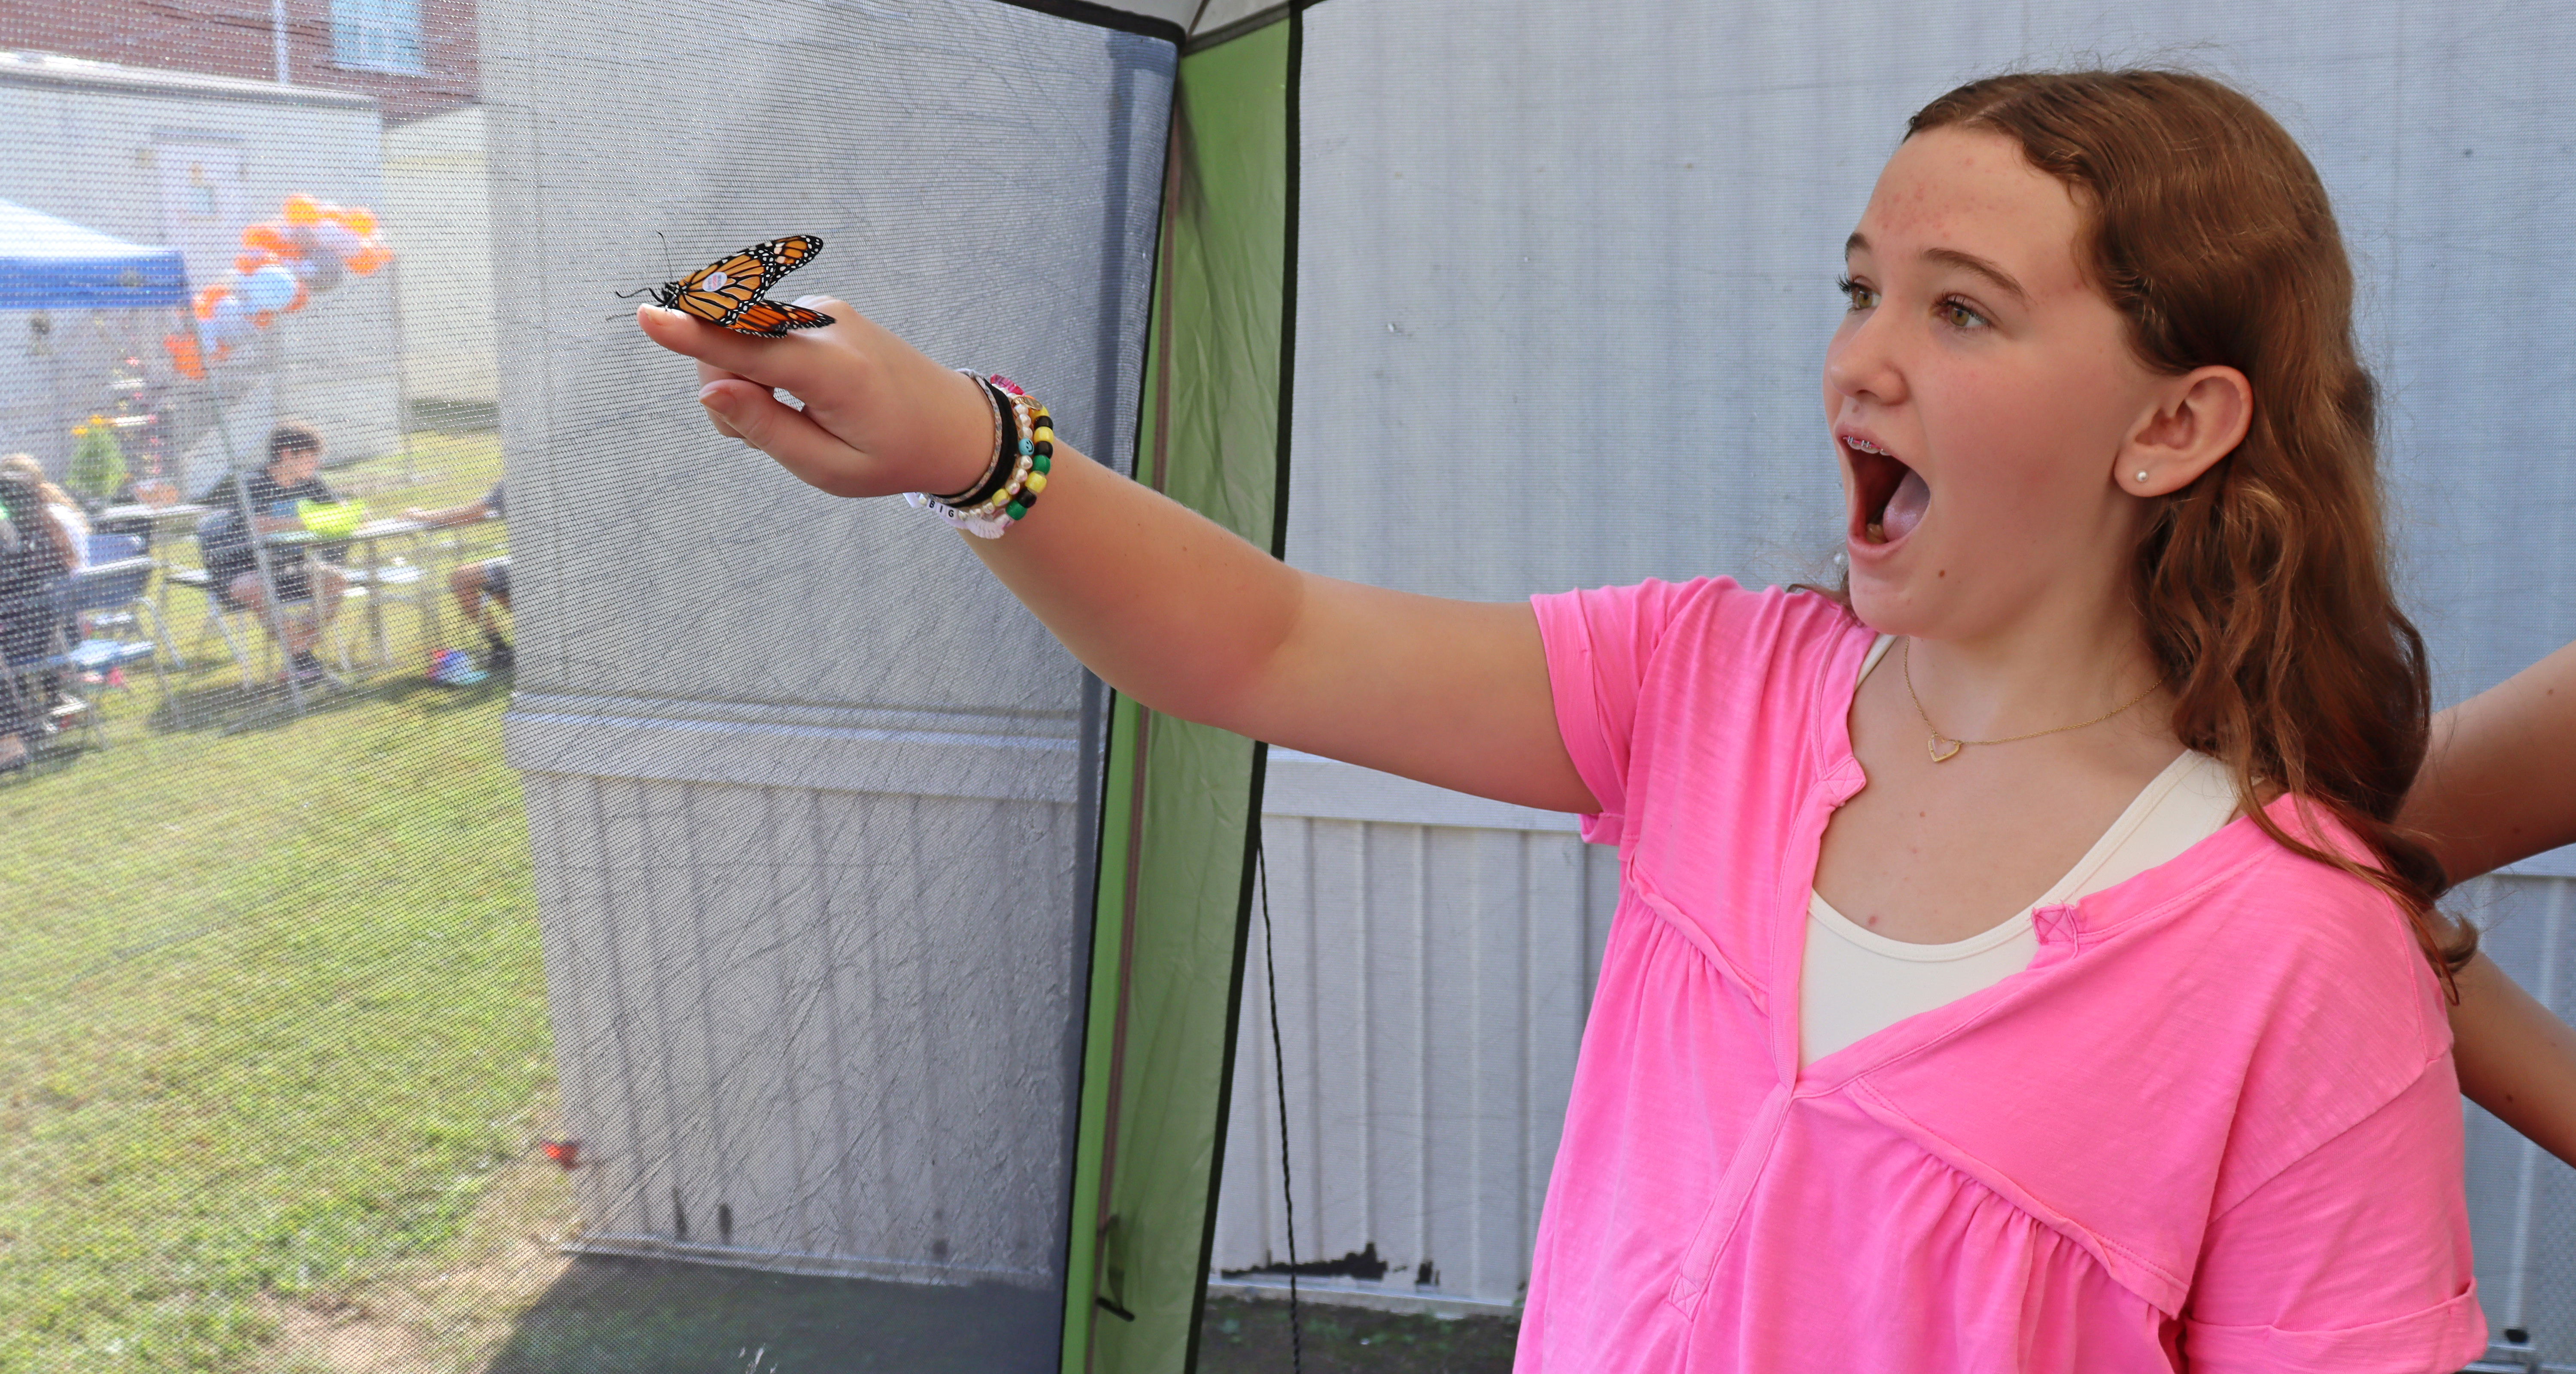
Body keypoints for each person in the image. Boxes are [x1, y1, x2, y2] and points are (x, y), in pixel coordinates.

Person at [640, 70, 2564, 1371]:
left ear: (2174, 423)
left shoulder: (2298, 950)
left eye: (1961, 313)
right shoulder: (1707, 687)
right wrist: (974, 455)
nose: (1860, 355)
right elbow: (1267, 644)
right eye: (1857, 288)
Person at [197, 423, 348, 686]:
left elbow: (339, 510)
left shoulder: (311, 483)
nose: (316, 464)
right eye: (311, 457)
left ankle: (299, 655)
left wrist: (348, 512)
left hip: (290, 569)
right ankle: (303, 660)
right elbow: (258, 524)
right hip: (240, 570)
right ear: (288, 455)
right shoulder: (252, 483)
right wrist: (310, 520)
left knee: (336, 581)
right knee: (257, 586)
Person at [0, 467, 78, 770]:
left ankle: (12, 740)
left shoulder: (22, 537)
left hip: (34, 636)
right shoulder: (32, 527)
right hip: (44, 632)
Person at [402, 482, 511, 671]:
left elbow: (471, 514)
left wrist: (421, 516)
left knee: (461, 578)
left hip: (533, 565)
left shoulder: (519, 479)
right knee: (478, 579)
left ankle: (501, 649)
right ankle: (514, 644)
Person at [3, 454, 91, 571]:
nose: (12, 494)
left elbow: (72, 566)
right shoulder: (18, 519)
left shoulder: (55, 515)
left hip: (65, 584)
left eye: (17, 488)